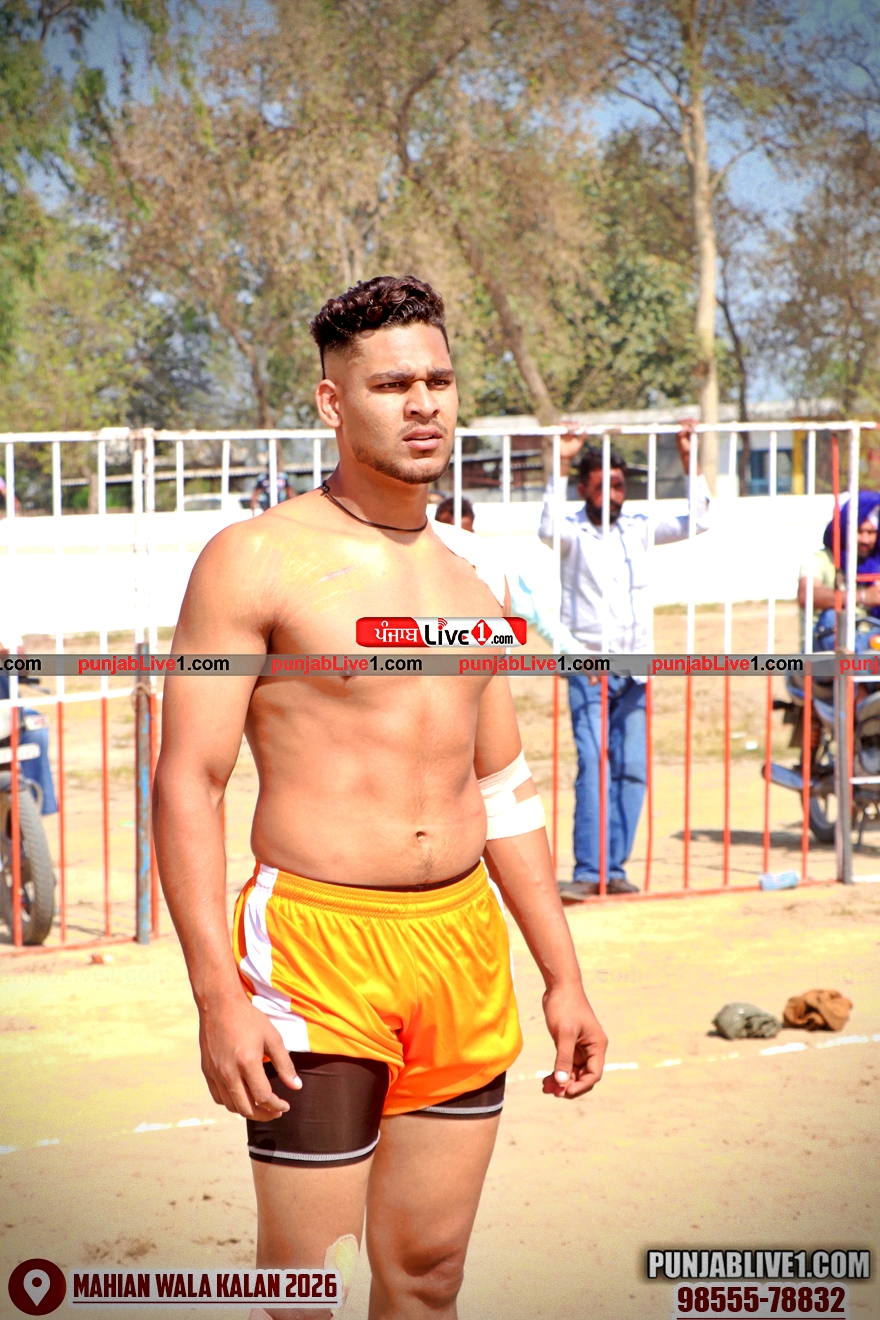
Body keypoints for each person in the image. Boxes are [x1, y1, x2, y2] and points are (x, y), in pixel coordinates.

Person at [154, 275, 607, 1320]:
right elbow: (189, 780)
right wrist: (218, 997)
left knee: (428, 1276)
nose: (423, 404)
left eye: (438, 380)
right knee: (304, 1290)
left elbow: (501, 785)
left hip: (460, 944)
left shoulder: (477, 575)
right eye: (392, 384)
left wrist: (563, 976)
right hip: (318, 949)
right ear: (332, 402)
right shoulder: (253, 560)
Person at [539, 423, 710, 898]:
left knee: (632, 768)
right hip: (587, 667)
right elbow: (547, 527)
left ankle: (613, 868)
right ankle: (588, 870)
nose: (613, 495)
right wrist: (562, 461)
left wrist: (688, 458)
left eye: (618, 485)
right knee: (594, 765)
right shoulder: (572, 532)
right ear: (582, 490)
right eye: (602, 486)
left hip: (635, 668)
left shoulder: (637, 528)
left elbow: (698, 521)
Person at [797, 492, 880, 651]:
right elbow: (806, 594)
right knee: (833, 616)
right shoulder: (820, 559)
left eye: (871, 533)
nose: (865, 539)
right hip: (823, 640)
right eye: (859, 531)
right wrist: (863, 596)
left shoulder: (874, 565)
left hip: (869, 635)